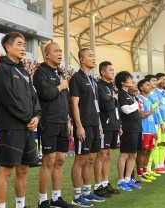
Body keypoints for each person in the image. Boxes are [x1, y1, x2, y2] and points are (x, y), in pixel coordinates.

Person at [0, 32, 41, 208]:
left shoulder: (24, 71)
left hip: (28, 127)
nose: (23, 48)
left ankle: (21, 205)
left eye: (24, 45)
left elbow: (34, 98)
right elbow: (8, 99)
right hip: (11, 127)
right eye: (19, 44)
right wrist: (28, 118)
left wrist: (36, 116)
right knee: (6, 170)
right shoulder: (2, 70)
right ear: (8, 46)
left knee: (23, 169)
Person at [33, 42, 75, 208]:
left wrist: (69, 119)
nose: (59, 53)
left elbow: (65, 100)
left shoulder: (60, 73)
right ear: (47, 54)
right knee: (48, 160)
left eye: (60, 51)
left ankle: (56, 198)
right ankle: (43, 200)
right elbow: (46, 94)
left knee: (60, 160)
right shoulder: (40, 72)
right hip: (48, 121)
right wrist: (61, 86)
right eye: (56, 51)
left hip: (63, 122)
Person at [69, 48, 104, 207]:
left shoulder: (93, 80)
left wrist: (99, 124)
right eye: (90, 55)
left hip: (94, 124)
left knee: (90, 158)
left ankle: (87, 192)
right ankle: (77, 195)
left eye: (93, 55)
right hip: (83, 124)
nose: (93, 57)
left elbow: (95, 105)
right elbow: (74, 103)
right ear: (82, 59)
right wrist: (78, 126)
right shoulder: (77, 78)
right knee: (80, 159)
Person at [93, 61, 121, 197]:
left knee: (109, 155)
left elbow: (114, 106)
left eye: (113, 69)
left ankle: (105, 183)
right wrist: (114, 99)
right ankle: (98, 185)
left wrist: (119, 124)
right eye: (110, 70)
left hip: (114, 125)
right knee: (102, 154)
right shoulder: (100, 87)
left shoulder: (111, 87)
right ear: (103, 72)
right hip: (105, 125)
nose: (112, 72)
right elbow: (106, 105)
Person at [115, 71, 142, 192]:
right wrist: (136, 105)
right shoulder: (121, 94)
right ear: (122, 82)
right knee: (124, 154)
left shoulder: (130, 95)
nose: (131, 80)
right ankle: (121, 181)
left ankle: (127, 179)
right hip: (127, 127)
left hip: (136, 127)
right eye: (128, 79)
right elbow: (125, 110)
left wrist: (135, 104)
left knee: (133, 154)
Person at [136, 79, 158, 183]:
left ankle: (145, 171)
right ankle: (140, 174)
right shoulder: (139, 99)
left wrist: (155, 130)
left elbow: (151, 115)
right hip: (144, 129)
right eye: (147, 85)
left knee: (148, 150)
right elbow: (142, 115)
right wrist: (150, 111)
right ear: (141, 88)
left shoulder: (149, 100)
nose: (149, 87)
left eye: (150, 85)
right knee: (142, 152)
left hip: (151, 129)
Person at [154, 73, 165, 173]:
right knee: (157, 143)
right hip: (157, 121)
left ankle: (162, 164)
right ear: (157, 80)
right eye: (161, 79)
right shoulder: (154, 91)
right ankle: (156, 166)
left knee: (164, 143)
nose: (164, 81)